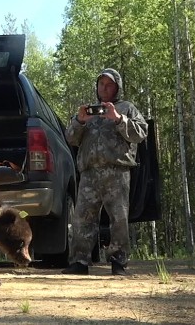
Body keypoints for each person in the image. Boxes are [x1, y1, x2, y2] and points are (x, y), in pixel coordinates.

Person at [62, 68, 148, 276]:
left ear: (117, 87)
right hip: (89, 173)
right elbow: (70, 138)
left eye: (109, 84)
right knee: (82, 218)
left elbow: (141, 133)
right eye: (101, 84)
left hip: (117, 172)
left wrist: (118, 119)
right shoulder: (88, 112)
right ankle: (79, 262)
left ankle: (118, 262)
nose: (104, 88)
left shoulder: (127, 108)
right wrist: (80, 121)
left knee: (118, 218)